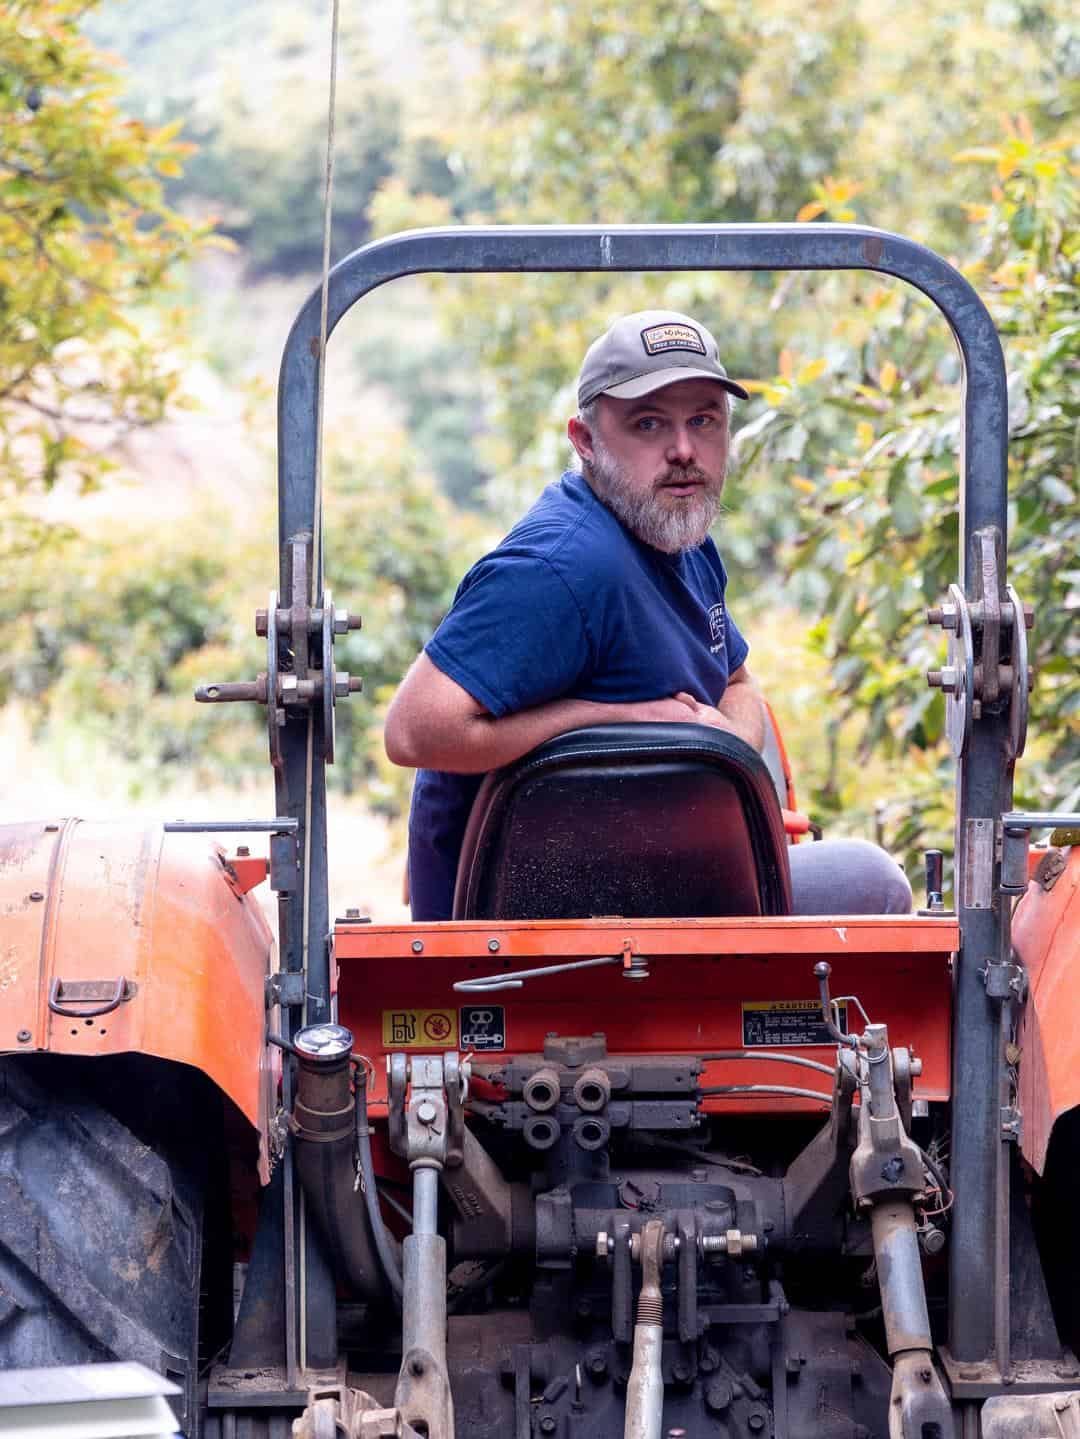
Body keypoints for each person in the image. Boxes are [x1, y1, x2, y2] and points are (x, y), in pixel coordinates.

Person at [384, 309, 912, 922]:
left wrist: (723, 744)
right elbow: (413, 733)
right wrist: (611, 719)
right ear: (585, 439)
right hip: (538, 924)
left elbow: (739, 683)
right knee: (872, 883)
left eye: (703, 420)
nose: (684, 450)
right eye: (649, 423)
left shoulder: (678, 532)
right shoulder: (559, 570)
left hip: (662, 878)